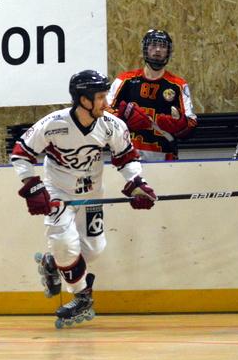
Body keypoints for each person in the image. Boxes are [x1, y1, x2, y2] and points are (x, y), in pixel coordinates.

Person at [11, 70, 157, 329]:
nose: (106, 102)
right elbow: (21, 152)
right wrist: (33, 187)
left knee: (92, 250)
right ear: (83, 100)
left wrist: (136, 185)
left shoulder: (111, 125)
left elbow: (126, 158)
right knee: (65, 244)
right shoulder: (53, 123)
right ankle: (82, 296)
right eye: (100, 97)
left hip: (91, 195)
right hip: (59, 193)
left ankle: (51, 262)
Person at [108, 29, 198, 161]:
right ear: (145, 48)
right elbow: (103, 114)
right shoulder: (125, 80)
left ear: (168, 52)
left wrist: (180, 124)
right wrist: (123, 115)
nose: (157, 50)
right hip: (127, 154)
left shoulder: (178, 85)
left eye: (162, 46)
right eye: (153, 45)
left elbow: (191, 125)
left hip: (164, 155)